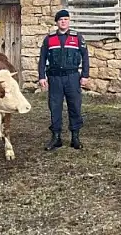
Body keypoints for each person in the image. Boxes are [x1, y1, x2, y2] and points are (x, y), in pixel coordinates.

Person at [38, 9, 90, 151]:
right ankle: (56, 138)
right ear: (56, 22)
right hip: (54, 78)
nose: (63, 21)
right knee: (55, 107)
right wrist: (42, 76)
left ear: (69, 21)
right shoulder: (49, 38)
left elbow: (85, 57)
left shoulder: (77, 37)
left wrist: (85, 75)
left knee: (75, 106)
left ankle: (75, 137)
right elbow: (42, 58)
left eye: (66, 19)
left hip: (72, 77)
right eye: (61, 19)